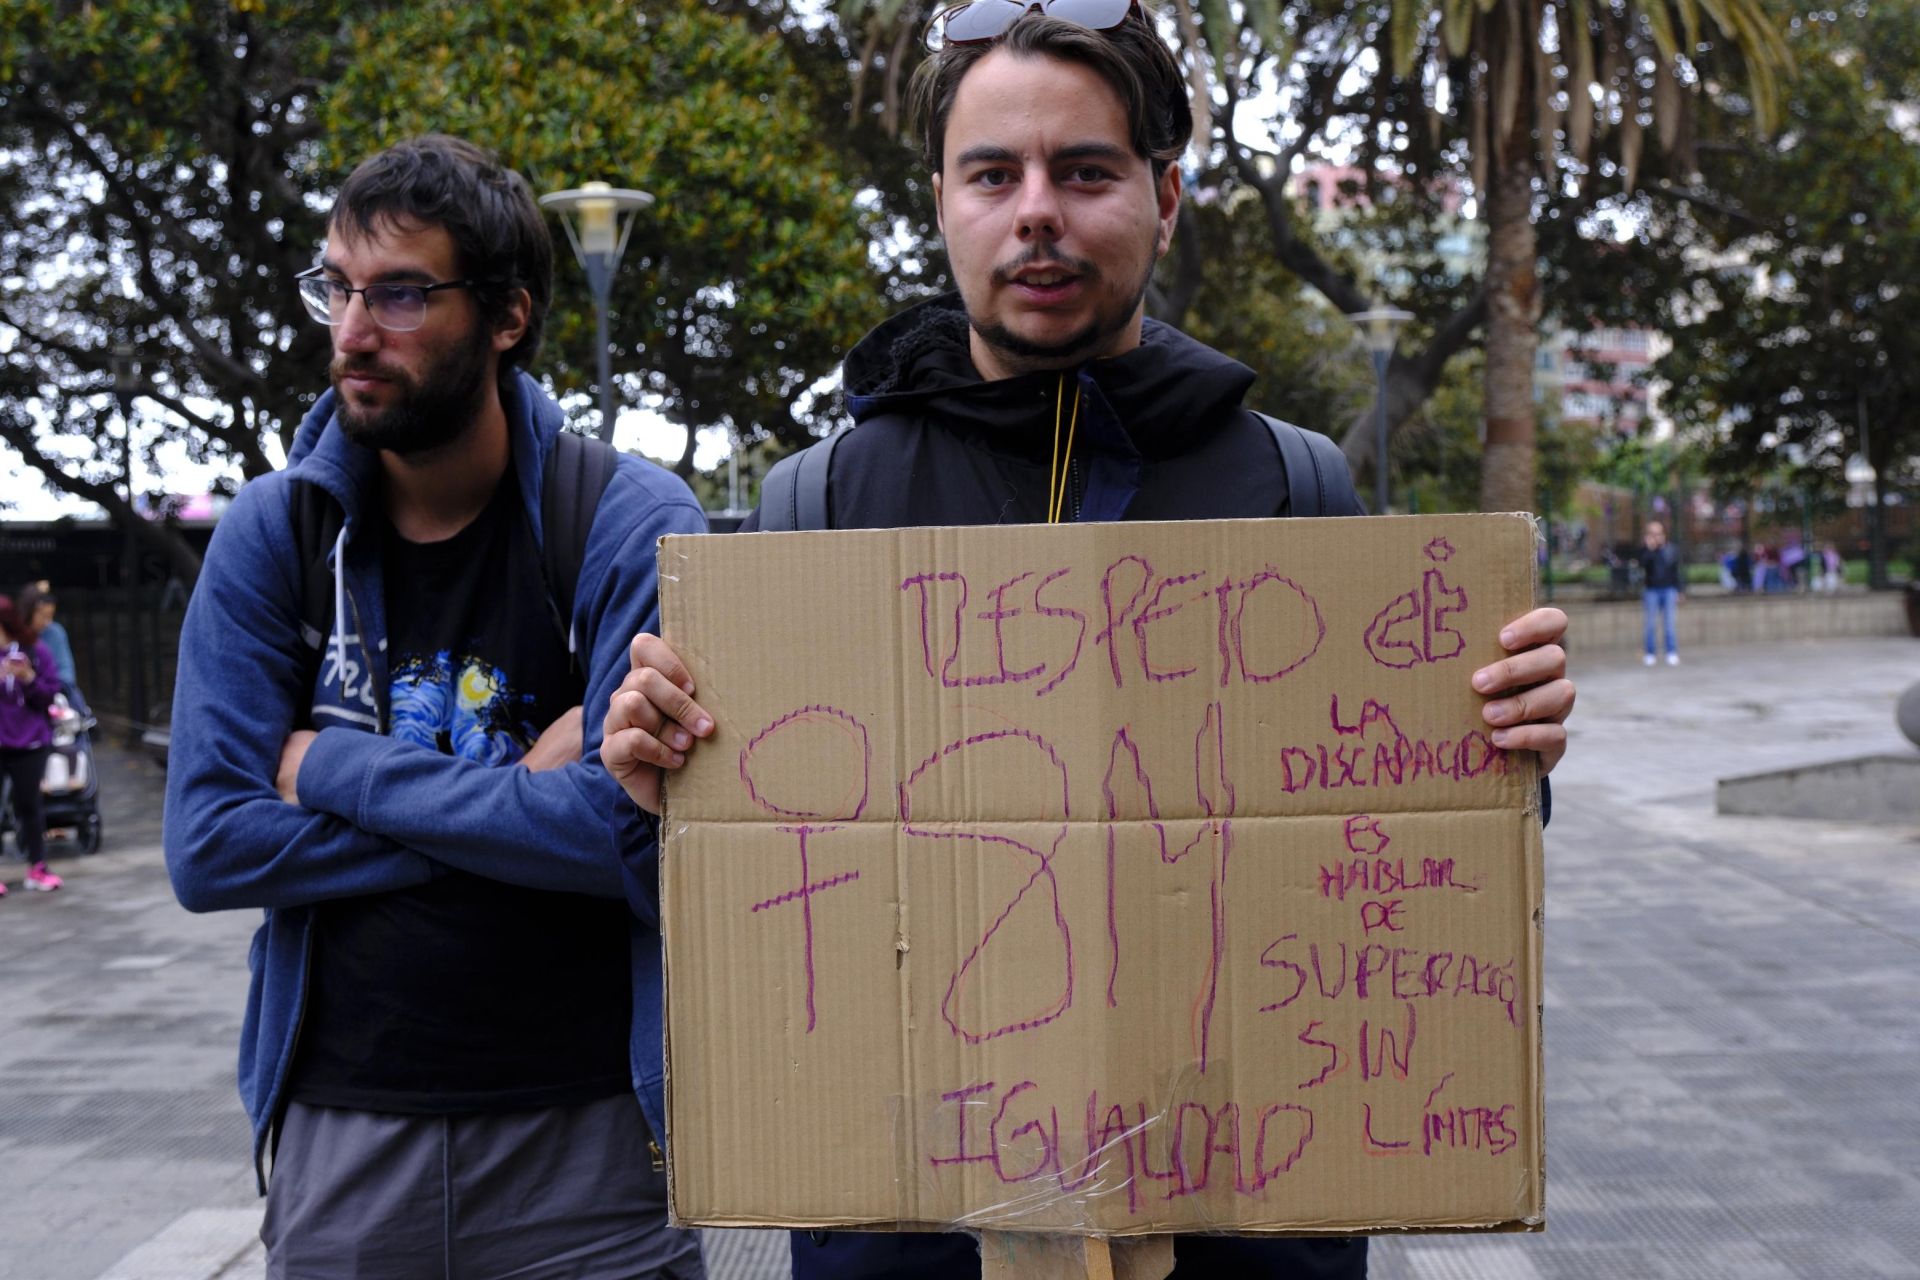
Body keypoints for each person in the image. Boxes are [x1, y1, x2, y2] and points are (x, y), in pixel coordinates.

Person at [598, 5, 1576, 1277]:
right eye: (993, 173)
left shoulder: (1297, 491)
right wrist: (651, 795)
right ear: (943, 202)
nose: (1037, 210)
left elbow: (1403, 860)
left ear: (1166, 196)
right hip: (912, 1236)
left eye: (1087, 170)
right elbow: (732, 912)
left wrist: (1510, 748)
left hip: (1249, 1228)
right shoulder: (816, 510)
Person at [161, 135, 709, 1278]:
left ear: (506, 314)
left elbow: (637, 836)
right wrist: (519, 800)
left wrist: (330, 768)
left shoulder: (623, 520)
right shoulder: (276, 534)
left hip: (594, 1147)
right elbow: (209, 844)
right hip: (345, 1146)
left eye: (402, 294)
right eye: (339, 289)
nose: (355, 332)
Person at [0, 594, 65, 897]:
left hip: (30, 741)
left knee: (29, 805)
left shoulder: (35, 651)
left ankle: (37, 866)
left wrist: (27, 677)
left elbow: (49, 695)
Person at [17, 581, 89, 719]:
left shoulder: (53, 634)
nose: (47, 622)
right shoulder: (14, 640)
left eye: (50, 616)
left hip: (51, 698)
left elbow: (65, 676)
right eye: (43, 616)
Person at [1638, 520, 1683, 665]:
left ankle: (1671, 652)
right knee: (1650, 623)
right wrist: (1650, 549)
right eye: (1652, 534)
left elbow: (1676, 571)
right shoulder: (1645, 550)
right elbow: (1642, 565)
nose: (1655, 537)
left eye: (1658, 534)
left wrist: (1680, 591)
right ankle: (1650, 653)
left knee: (1669, 623)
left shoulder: (1670, 549)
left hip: (1669, 589)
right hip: (1651, 590)